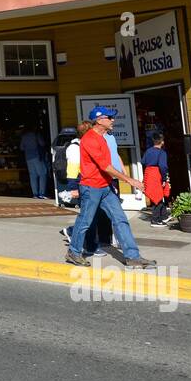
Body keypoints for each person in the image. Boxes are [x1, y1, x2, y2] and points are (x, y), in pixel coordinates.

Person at [66, 106, 155, 269]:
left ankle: (133, 257)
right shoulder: (90, 139)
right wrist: (130, 180)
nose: (113, 120)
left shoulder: (103, 138)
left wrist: (122, 174)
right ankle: (74, 252)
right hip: (91, 188)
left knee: (120, 219)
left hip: (105, 187)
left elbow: (111, 161)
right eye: (110, 118)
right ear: (100, 121)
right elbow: (105, 166)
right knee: (85, 221)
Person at [142, 133, 171, 225]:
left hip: (148, 173)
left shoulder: (148, 151)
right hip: (156, 174)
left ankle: (164, 216)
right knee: (158, 197)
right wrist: (163, 179)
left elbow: (143, 161)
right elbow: (163, 166)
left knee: (158, 195)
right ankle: (155, 220)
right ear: (162, 142)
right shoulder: (162, 152)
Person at [20, 122, 49, 199]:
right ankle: (42, 193)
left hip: (28, 157)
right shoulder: (36, 135)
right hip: (37, 156)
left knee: (33, 176)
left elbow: (22, 148)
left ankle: (35, 194)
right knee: (43, 174)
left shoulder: (24, 136)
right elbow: (42, 144)